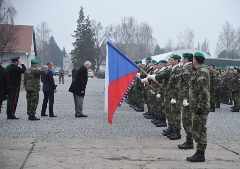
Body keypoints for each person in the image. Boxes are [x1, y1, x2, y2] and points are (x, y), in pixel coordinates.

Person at [187, 52, 210, 162]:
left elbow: (203, 92)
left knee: (200, 129)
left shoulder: (202, 72)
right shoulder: (197, 71)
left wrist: (200, 106)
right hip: (196, 106)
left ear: (195, 60)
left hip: (200, 107)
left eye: (193, 59)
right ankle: (199, 151)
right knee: (196, 129)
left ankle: (201, 154)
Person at [178, 53, 193, 149]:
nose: (182, 60)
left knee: (187, 121)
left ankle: (190, 141)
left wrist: (186, 98)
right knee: (186, 120)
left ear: (186, 59)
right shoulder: (189, 68)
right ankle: (189, 140)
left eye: (183, 58)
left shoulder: (188, 69)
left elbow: (188, 85)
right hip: (186, 98)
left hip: (187, 99)